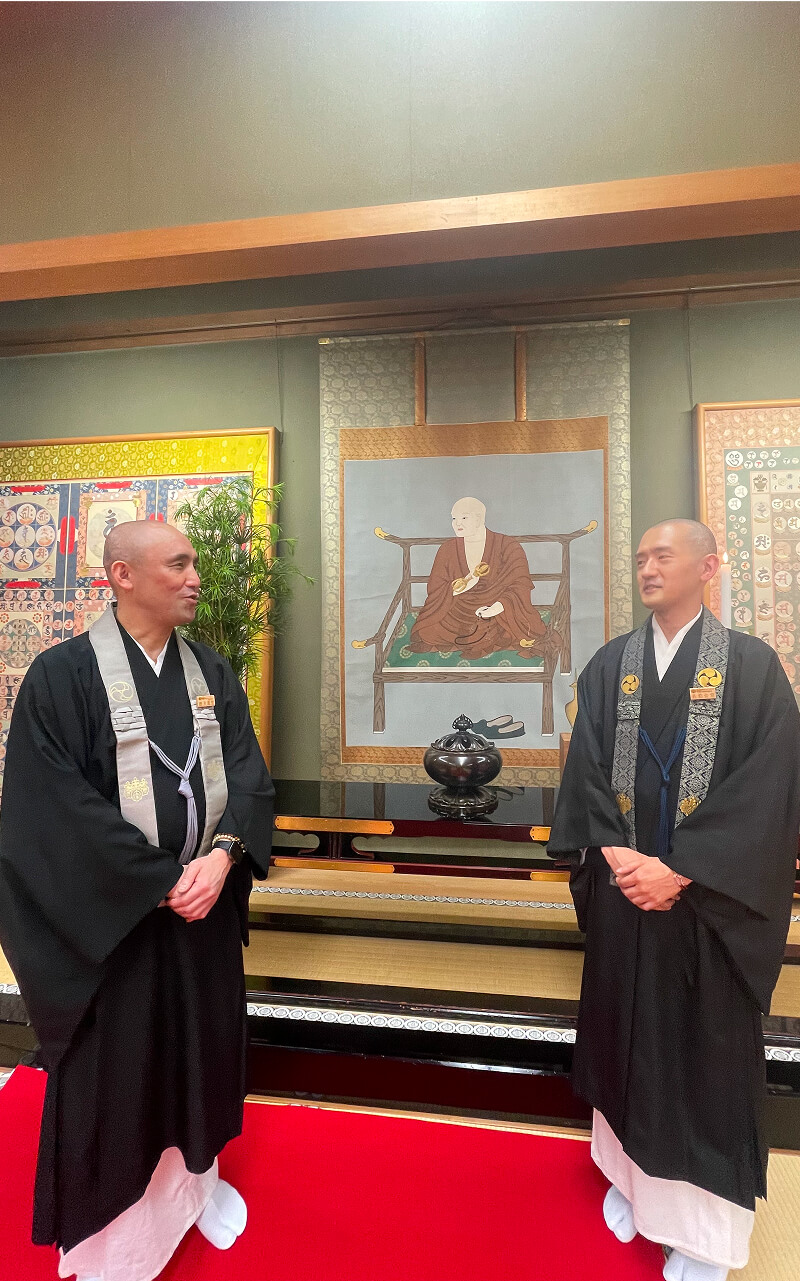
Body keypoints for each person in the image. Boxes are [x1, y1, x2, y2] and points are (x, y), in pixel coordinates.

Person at [0, 519, 274, 1281]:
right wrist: (158, 881)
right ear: (121, 576)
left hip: (204, 913)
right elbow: (48, 810)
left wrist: (221, 859)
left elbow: (249, 780)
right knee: (118, 1077)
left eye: (193, 563)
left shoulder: (211, 673)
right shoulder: (61, 678)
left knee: (201, 1058)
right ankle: (115, 1238)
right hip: (116, 930)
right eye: (178, 564)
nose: (195, 577)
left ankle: (198, 1190)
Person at [547, 518, 800, 1281]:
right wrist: (622, 858)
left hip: (704, 907)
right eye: (641, 557)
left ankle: (700, 1236)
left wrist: (680, 868)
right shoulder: (610, 666)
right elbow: (585, 771)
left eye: (663, 555)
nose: (647, 566)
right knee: (623, 1038)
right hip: (626, 895)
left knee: (703, 1058)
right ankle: (630, 1180)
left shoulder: (753, 670)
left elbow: (770, 793)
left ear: (709, 566)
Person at [409, 496, 559, 659]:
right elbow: (436, 589)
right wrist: (467, 581)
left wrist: (495, 608)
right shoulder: (447, 549)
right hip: (457, 613)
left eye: (464, 517)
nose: (457, 523)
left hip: (498, 614)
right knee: (427, 632)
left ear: (479, 518)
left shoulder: (507, 545)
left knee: (505, 631)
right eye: (454, 518)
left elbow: (520, 586)